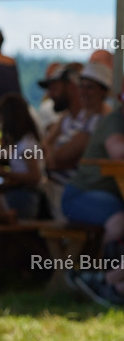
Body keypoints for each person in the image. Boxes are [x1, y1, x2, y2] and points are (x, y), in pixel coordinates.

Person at [40, 62, 110, 219]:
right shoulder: (74, 117)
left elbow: (58, 159)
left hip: (73, 191)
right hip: (60, 188)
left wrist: (51, 154)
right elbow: (45, 149)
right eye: (82, 86)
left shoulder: (97, 122)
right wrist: (52, 155)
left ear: (103, 92)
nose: (84, 92)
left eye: (90, 87)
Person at [62, 101, 124, 253]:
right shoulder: (116, 119)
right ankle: (105, 275)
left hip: (107, 196)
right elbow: (119, 153)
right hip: (81, 195)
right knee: (120, 222)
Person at [0, 94, 43, 221]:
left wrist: (4, 173)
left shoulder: (27, 145)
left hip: (26, 197)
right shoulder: (21, 143)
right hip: (22, 193)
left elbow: (35, 176)